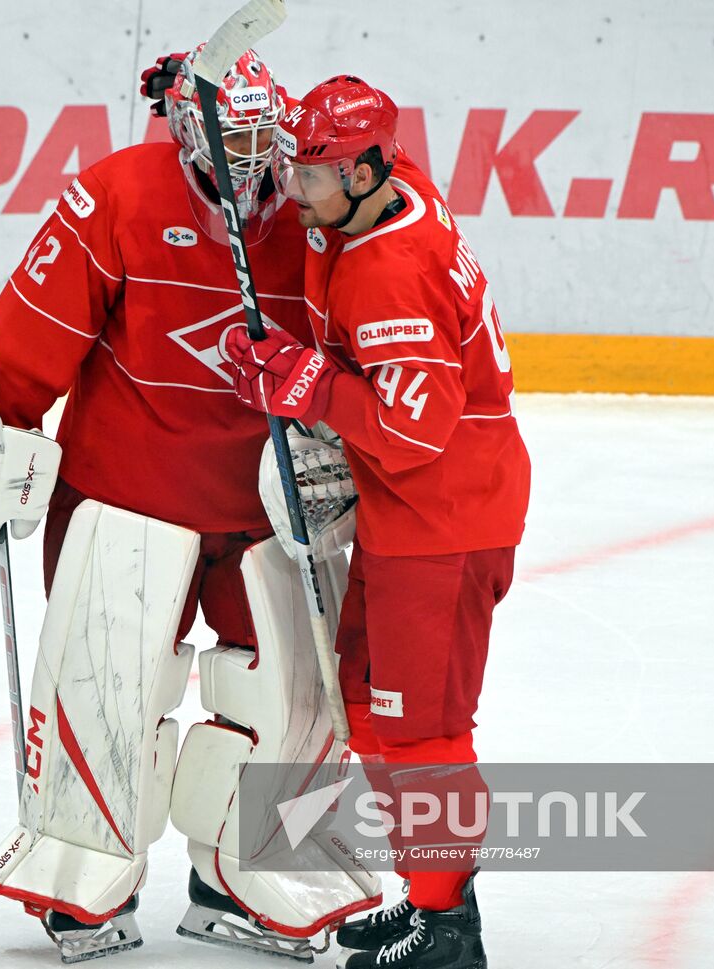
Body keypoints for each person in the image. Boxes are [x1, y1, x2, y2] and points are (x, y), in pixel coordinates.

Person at [0, 49, 379, 962]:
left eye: (264, 138)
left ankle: (250, 863)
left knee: (288, 693)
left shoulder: (318, 217)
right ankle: (84, 866)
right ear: (191, 133)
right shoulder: (114, 197)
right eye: (232, 138)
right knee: (110, 687)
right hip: (128, 495)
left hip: (265, 508)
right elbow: (29, 343)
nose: (255, 162)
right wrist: (3, 439)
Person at [222, 74, 532, 969]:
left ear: (363, 174)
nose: (294, 188)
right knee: (368, 703)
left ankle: (448, 933)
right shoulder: (378, 197)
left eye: (311, 174)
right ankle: (433, 893)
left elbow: (414, 428)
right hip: (405, 520)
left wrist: (306, 383)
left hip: (446, 523)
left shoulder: (393, 275)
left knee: (424, 732)